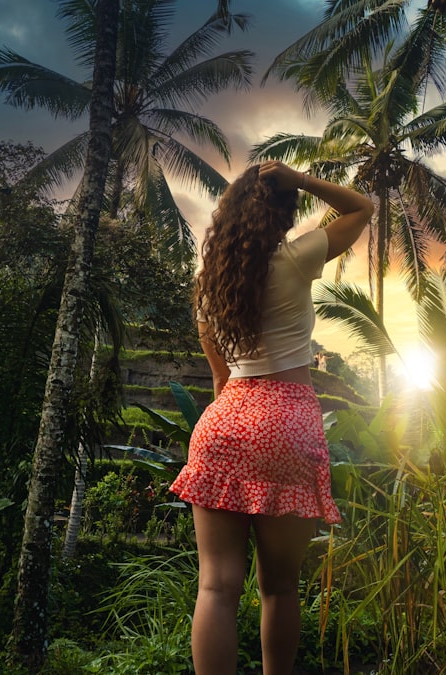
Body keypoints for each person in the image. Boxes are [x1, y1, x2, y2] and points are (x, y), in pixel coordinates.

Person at [169, 160, 374, 675]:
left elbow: (220, 381)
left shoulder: (209, 286)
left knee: (216, 586)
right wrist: (302, 181)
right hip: (286, 422)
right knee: (279, 589)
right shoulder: (297, 255)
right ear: (283, 215)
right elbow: (362, 207)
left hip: (224, 422)